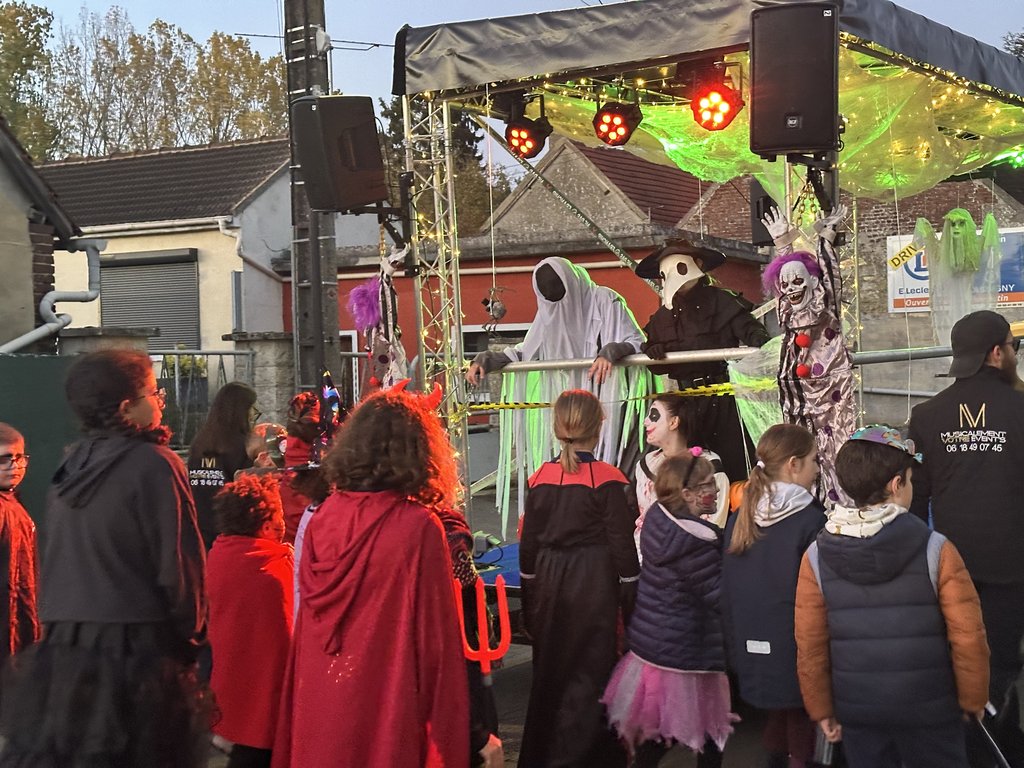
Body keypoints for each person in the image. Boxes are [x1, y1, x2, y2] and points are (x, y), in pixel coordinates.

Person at [0, 348, 209, 767]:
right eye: (154, 391)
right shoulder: (155, 463)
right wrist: (190, 644)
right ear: (127, 407)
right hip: (135, 651)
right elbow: (180, 570)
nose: (160, 402)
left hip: (66, 654)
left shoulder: (71, 464)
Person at [272, 386, 468, 768]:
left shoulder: (323, 518)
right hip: (386, 702)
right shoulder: (416, 527)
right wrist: (466, 733)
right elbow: (436, 647)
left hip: (322, 698)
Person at [795, 425, 990, 768]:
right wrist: (973, 699)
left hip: (859, 711)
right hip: (931, 709)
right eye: (910, 480)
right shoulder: (936, 549)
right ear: (896, 484)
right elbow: (968, 637)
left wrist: (821, 708)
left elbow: (810, 646)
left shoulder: (815, 556)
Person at [907, 309, 1024, 759]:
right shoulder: (1020, 409)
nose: (1014, 354)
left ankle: (968, 748)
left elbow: (914, 500)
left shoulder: (927, 415)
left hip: (951, 567)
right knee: (1002, 664)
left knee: (960, 659)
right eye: (1013, 346)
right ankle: (999, 748)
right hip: (1013, 569)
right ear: (996, 353)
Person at [466, 257, 652, 536]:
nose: (560, 307)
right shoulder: (548, 313)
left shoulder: (604, 300)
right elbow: (525, 352)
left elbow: (635, 341)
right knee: (576, 476)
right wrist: (488, 359)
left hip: (615, 409)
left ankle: (617, 531)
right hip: (575, 410)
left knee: (616, 477)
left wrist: (612, 351)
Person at [518, 389, 640, 768]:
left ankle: (544, 757)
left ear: (557, 427)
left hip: (548, 581)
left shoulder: (539, 477)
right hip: (593, 581)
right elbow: (623, 550)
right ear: (598, 426)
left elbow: (528, 547)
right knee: (592, 671)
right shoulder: (608, 479)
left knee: (550, 672)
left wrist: (530, 600)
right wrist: (632, 602)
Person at [603, 453, 736, 768]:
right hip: (687, 649)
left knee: (675, 729)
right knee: (695, 728)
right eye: (707, 485)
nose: (716, 490)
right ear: (687, 494)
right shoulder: (694, 542)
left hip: (657, 644)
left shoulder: (658, 520)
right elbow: (719, 596)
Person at [721, 424, 825, 768]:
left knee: (779, 719)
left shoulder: (739, 516)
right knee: (801, 724)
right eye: (814, 460)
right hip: (796, 645)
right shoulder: (809, 520)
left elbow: (727, 588)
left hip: (748, 642)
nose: (817, 469)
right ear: (794, 464)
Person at [635, 239, 770, 481]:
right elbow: (655, 364)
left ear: (697, 264)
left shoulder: (722, 302)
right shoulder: (663, 317)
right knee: (691, 467)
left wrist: (759, 342)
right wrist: (654, 352)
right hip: (686, 404)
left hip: (723, 397)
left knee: (734, 463)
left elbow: (751, 331)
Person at [761, 206, 855, 504]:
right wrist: (782, 243)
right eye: (785, 285)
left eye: (798, 282)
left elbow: (831, 277)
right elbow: (784, 283)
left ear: (814, 283)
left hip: (831, 388)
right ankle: (805, 504)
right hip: (798, 392)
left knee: (837, 449)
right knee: (798, 451)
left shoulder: (825, 305)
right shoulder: (788, 311)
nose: (791, 289)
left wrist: (826, 236)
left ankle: (841, 505)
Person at [207, 474, 293, 768]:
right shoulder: (275, 567)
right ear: (267, 524)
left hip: (229, 680)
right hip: (268, 690)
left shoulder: (219, 555)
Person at [634, 393, 730, 542]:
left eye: (653, 415)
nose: (645, 422)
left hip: (694, 551)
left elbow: (713, 526)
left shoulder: (707, 467)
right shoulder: (645, 464)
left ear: (674, 422)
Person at [188, 381, 259, 549]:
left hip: (200, 526)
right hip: (231, 531)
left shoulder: (200, 443)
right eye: (252, 409)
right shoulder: (242, 446)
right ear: (241, 411)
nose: (253, 415)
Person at [0, 423, 39, 661]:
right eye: (4, 459)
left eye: (19, 457)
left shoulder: (13, 502)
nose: (15, 466)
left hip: (18, 623)